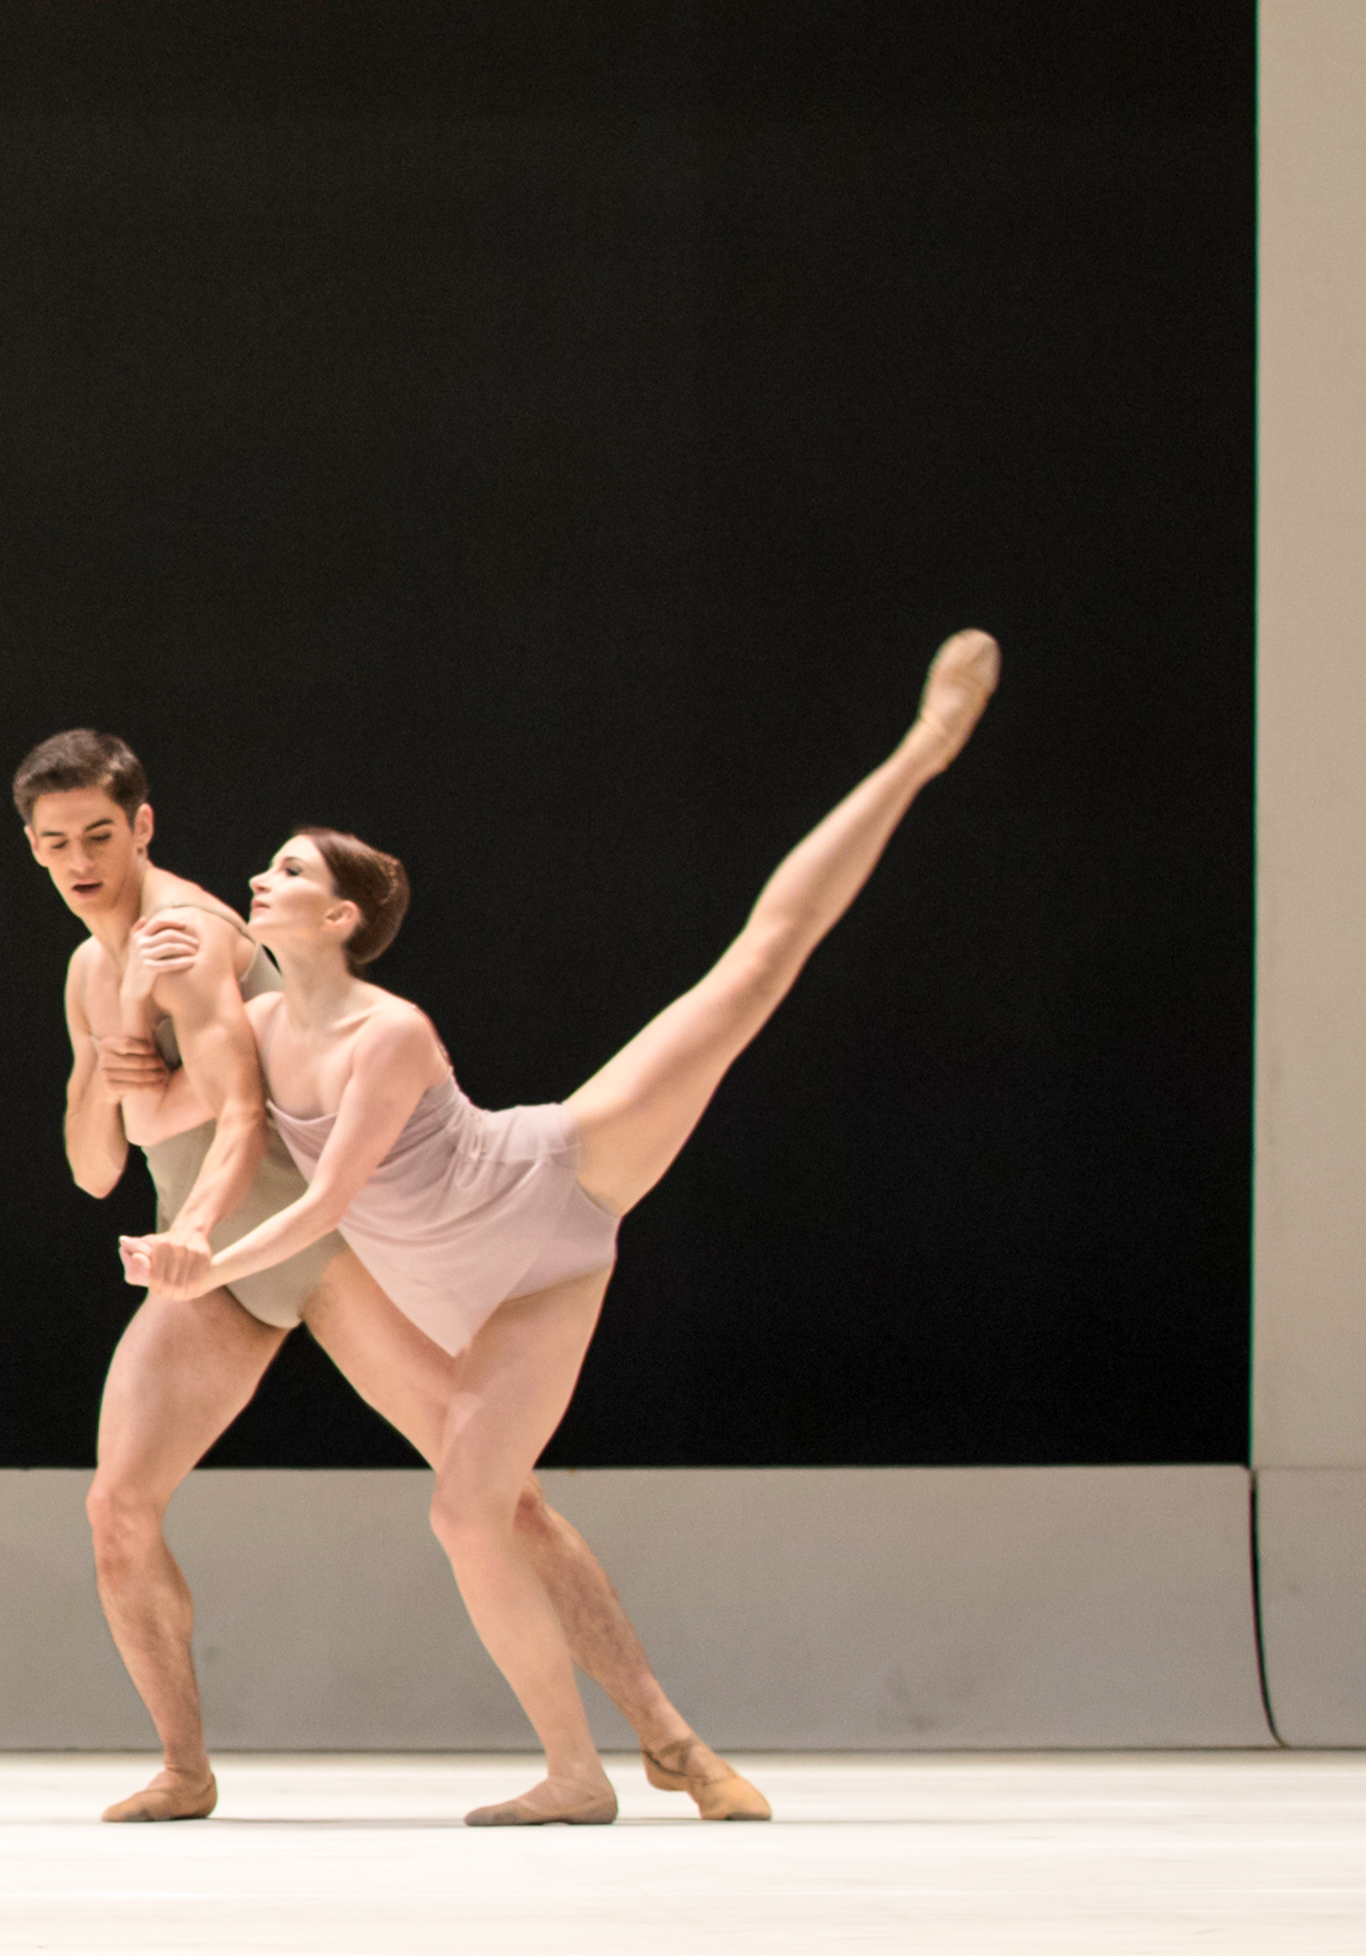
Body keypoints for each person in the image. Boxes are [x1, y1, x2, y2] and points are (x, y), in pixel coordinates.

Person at [130, 634, 997, 1824]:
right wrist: (152, 965)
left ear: (334, 914)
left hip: (549, 1182)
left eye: (282, 869)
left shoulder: (391, 1030)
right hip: (506, 1294)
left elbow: (327, 1203)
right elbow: (203, 1071)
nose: (256, 880)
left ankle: (916, 753)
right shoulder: (255, 1018)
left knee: (751, 970)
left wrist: (203, 1262)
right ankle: (578, 1771)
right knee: (467, 1507)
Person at [18, 727, 757, 1824]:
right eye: (51, 841)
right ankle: (184, 1766)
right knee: (116, 1506)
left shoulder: (189, 931)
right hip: (208, 1253)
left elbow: (237, 1115)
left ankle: (666, 1735)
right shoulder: (92, 965)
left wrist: (198, 1212)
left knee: (493, 1493)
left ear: (141, 827)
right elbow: (91, 1168)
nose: (77, 860)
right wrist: (110, 1055)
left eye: (96, 834)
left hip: (308, 1241)